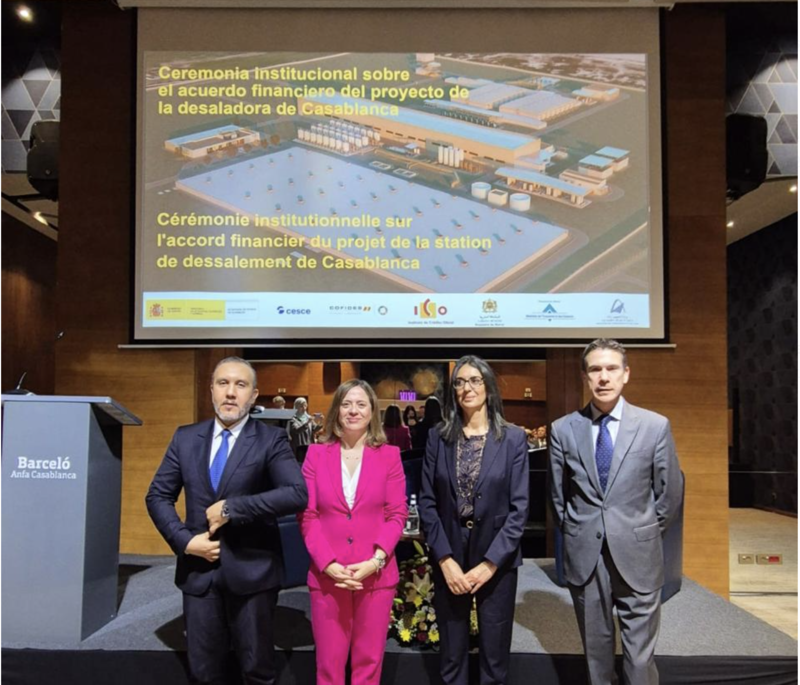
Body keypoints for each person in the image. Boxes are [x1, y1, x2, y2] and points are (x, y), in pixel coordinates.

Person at [146, 357, 308, 685]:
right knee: (204, 673)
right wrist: (185, 542)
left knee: (257, 670)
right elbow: (157, 496)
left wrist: (233, 508)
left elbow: (296, 494)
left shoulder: (271, 440)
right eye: (223, 383)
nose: (231, 393)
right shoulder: (185, 438)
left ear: (253, 395)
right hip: (198, 574)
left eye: (240, 385)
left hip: (253, 572)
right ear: (211, 391)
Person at [548, 339, 683, 685]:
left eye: (611, 369)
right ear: (585, 377)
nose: (603, 377)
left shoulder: (654, 426)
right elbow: (558, 497)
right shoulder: (563, 429)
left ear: (626, 375)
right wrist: (578, 531)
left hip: (639, 553)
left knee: (639, 660)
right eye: (595, 369)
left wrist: (644, 530)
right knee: (596, 656)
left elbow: (669, 494)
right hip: (586, 557)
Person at [418, 356, 529, 685]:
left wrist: (490, 564)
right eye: (460, 382)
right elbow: (427, 502)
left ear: (489, 388)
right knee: (452, 655)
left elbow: (519, 509)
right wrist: (445, 560)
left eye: (475, 381)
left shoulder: (513, 438)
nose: (467, 388)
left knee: (494, 657)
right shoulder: (439, 437)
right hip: (449, 551)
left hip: (497, 557)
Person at [298, 379, 408, 685]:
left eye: (361, 404)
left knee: (368, 664)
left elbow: (396, 513)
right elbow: (307, 515)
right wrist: (328, 564)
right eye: (346, 404)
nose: (353, 410)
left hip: (375, 575)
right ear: (337, 411)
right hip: (327, 575)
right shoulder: (315, 455)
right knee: (329, 666)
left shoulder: (390, 455)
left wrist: (376, 561)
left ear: (372, 411)